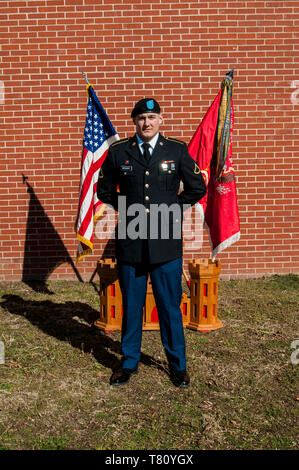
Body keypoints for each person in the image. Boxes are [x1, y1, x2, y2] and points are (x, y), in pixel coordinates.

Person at [97, 98, 206, 387]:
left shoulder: (176, 150)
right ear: (134, 122)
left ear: (161, 120)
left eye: (152, 116)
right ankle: (128, 362)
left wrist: (172, 208)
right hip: (131, 241)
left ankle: (177, 365)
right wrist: (130, 206)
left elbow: (197, 187)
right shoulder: (119, 152)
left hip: (166, 243)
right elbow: (103, 190)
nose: (147, 123)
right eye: (141, 118)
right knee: (131, 305)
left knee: (169, 306)